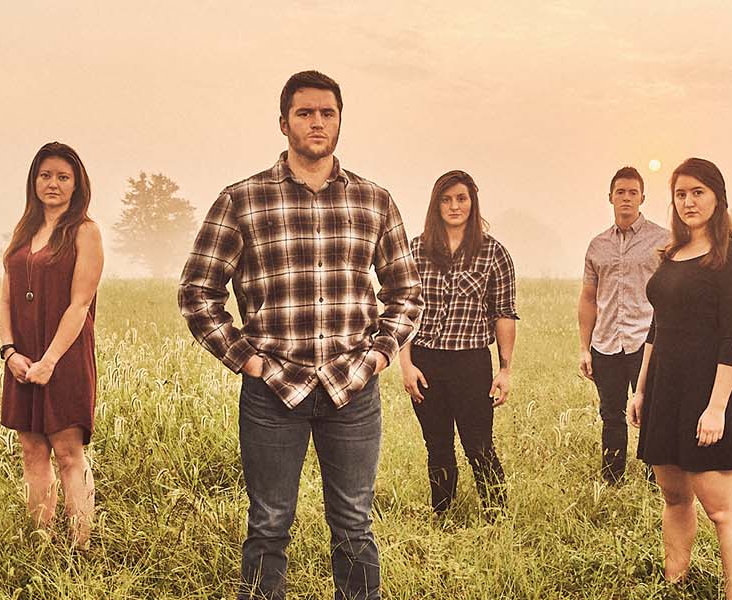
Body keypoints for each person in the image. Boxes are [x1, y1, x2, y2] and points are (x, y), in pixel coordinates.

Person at [178, 70, 422, 600]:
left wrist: (378, 358)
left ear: (340, 121)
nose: (317, 122)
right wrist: (249, 361)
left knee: (354, 526)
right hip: (272, 390)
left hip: (352, 389)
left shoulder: (374, 201)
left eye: (327, 113)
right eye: (305, 112)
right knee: (268, 524)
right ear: (283, 122)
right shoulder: (241, 200)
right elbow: (198, 292)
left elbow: (407, 294)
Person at [629, 158, 732, 599]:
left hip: (708, 393)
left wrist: (717, 407)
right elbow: (656, 327)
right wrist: (642, 390)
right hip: (665, 389)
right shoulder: (670, 255)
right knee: (674, 497)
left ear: (717, 197)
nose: (688, 202)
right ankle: (674, 583)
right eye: (680, 194)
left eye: (697, 192)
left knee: (723, 510)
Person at [0, 142, 104, 549]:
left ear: (77, 184)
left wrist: (49, 361)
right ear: (34, 181)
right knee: (31, 450)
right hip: (21, 357)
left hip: (65, 357)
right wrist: (10, 352)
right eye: (45, 175)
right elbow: (5, 299)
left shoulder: (85, 232)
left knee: (67, 452)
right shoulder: (23, 231)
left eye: (63, 176)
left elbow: (80, 304)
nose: (53, 184)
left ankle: (80, 547)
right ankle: (40, 542)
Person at [399, 170, 517, 515]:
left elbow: (504, 313)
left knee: (479, 445)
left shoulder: (494, 253)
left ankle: (497, 516)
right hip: (425, 361)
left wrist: (505, 369)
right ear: (436, 204)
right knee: (436, 445)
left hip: (471, 361)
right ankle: (443, 515)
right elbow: (404, 310)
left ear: (472, 201)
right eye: (446, 199)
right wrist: (406, 363)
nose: (454, 206)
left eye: (461, 198)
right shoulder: (416, 249)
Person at [578, 166, 669, 484]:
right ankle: (612, 479)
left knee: (651, 413)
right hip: (606, 343)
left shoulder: (662, 241)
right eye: (621, 192)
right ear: (610, 198)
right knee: (610, 414)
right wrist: (584, 348)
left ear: (642, 197)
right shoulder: (597, 245)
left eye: (633, 192)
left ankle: (654, 480)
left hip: (646, 341)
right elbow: (588, 298)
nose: (627, 198)